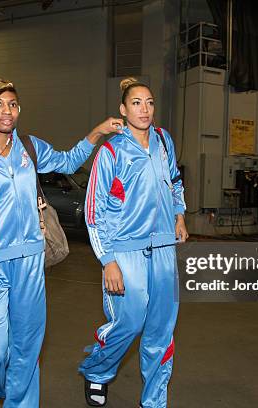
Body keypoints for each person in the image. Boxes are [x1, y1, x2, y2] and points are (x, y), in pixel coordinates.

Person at [0, 78, 122, 408]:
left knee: (26, 348)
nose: (6, 111)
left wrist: (97, 132)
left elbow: (66, 161)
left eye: (12, 104)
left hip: (29, 264)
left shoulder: (29, 148)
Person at [79, 77, 188, 408]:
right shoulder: (111, 151)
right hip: (125, 251)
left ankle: (154, 400)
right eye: (137, 103)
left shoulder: (164, 140)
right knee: (129, 322)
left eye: (150, 102)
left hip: (165, 249)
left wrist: (180, 214)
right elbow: (93, 212)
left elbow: (175, 181)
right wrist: (108, 259)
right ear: (123, 110)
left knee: (161, 328)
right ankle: (97, 371)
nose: (145, 109)